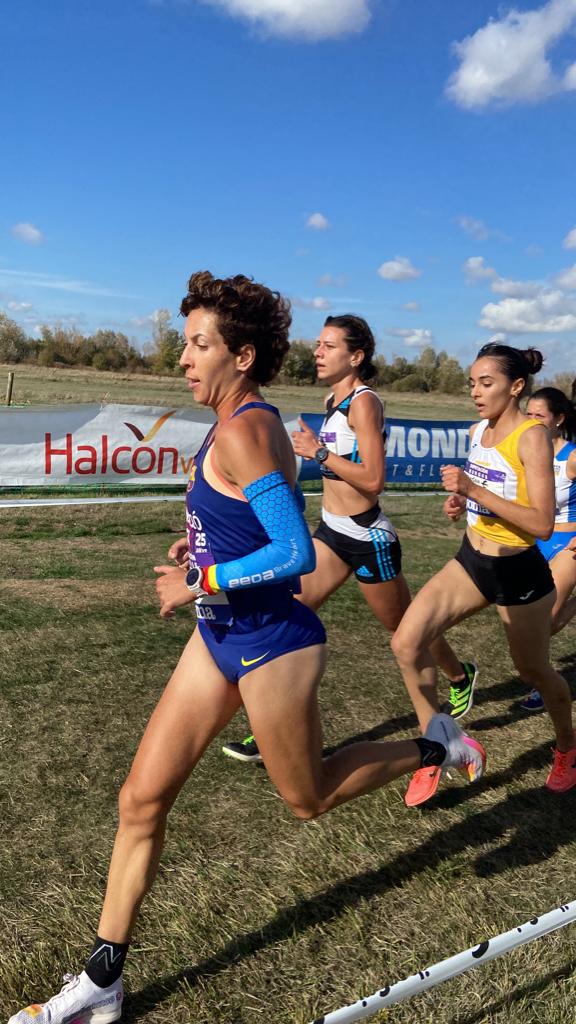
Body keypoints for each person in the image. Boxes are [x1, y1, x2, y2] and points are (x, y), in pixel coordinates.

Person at [9, 273, 485, 1024]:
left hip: (274, 643)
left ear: (243, 355)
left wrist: (200, 575)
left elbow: (295, 551)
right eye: (185, 343)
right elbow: (252, 521)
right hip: (221, 634)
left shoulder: (244, 427)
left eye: (199, 345)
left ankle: (437, 745)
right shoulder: (229, 424)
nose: (183, 360)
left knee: (309, 797)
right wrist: (200, 539)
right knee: (141, 800)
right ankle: (102, 981)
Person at [219, 314, 477, 809]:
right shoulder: (330, 400)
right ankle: (275, 732)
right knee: (289, 616)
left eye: (329, 345)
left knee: (406, 632)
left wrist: (319, 454)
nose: (317, 352)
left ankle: (457, 679)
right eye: (317, 344)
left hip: (367, 538)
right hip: (331, 534)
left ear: (355, 356)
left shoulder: (365, 403)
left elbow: (375, 479)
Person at [390, 341, 576, 805]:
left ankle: (568, 748)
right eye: (473, 382)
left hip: (519, 571)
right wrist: (463, 501)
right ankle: (441, 745)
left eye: (486, 382)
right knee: (407, 641)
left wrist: (472, 487)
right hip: (471, 560)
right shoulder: (478, 432)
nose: (476, 391)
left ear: (515, 387)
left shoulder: (531, 435)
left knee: (534, 670)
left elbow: (540, 523)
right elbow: (491, 494)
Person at [518, 381, 576, 711]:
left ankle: (542, 684)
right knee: (528, 621)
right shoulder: (527, 452)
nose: (532, 420)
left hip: (568, 544)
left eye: (540, 415)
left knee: (547, 622)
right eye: (528, 414)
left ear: (558, 419)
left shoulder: (571, 457)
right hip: (533, 542)